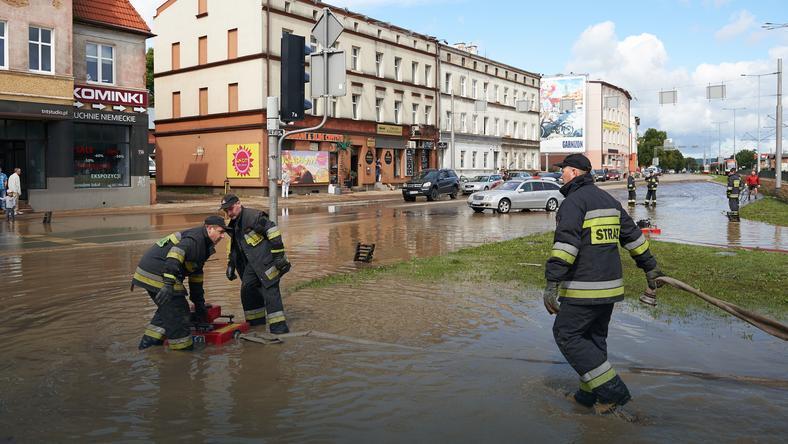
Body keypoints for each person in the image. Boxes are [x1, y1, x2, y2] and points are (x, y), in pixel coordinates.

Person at [544, 153, 663, 413]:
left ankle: (613, 392)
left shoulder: (574, 203)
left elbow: (566, 246)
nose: (560, 173)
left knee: (567, 335)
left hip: (583, 289)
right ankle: (588, 398)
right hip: (610, 289)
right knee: (594, 340)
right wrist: (650, 266)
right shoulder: (608, 200)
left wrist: (552, 282)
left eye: (563, 169)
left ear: (575, 173)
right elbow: (632, 236)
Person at [132, 216, 228, 351]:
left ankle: (148, 347)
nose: (223, 236)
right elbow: (174, 254)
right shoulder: (195, 240)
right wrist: (168, 285)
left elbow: (196, 276)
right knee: (180, 311)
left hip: (154, 272)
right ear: (209, 228)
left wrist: (199, 303)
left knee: (168, 310)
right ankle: (182, 354)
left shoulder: (203, 245)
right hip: (158, 273)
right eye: (221, 232)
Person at [221, 194, 291, 334]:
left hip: (268, 261)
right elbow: (236, 246)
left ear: (239, 203)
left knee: (270, 292)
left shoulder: (254, 217)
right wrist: (231, 264)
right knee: (247, 289)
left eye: (230, 209)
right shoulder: (234, 223)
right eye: (226, 211)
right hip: (253, 265)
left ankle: (279, 330)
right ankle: (255, 325)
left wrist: (278, 257)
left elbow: (273, 231)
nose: (229, 213)